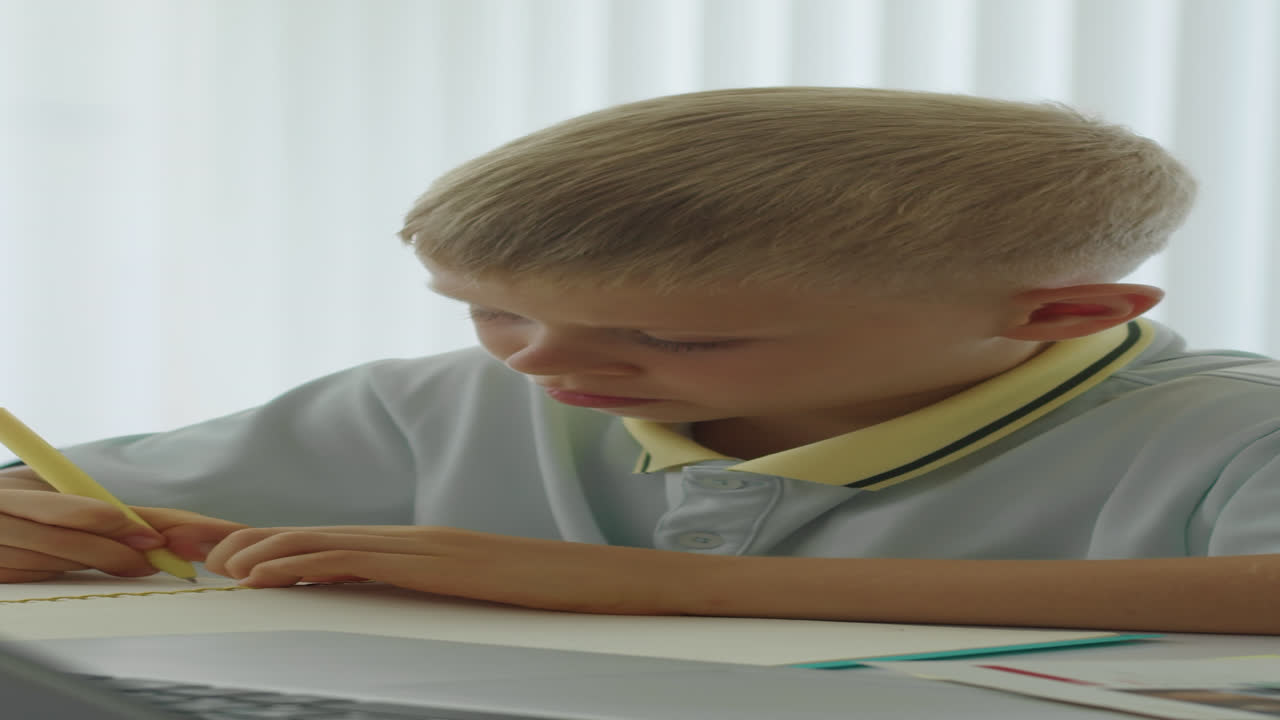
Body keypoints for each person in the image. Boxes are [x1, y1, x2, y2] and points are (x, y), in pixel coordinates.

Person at [2, 87, 1278, 634]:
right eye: (487, 311)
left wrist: (630, 582)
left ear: (1056, 315)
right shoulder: (440, 405)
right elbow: (91, 506)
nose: (538, 362)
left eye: (675, 336)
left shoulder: (1227, 429)